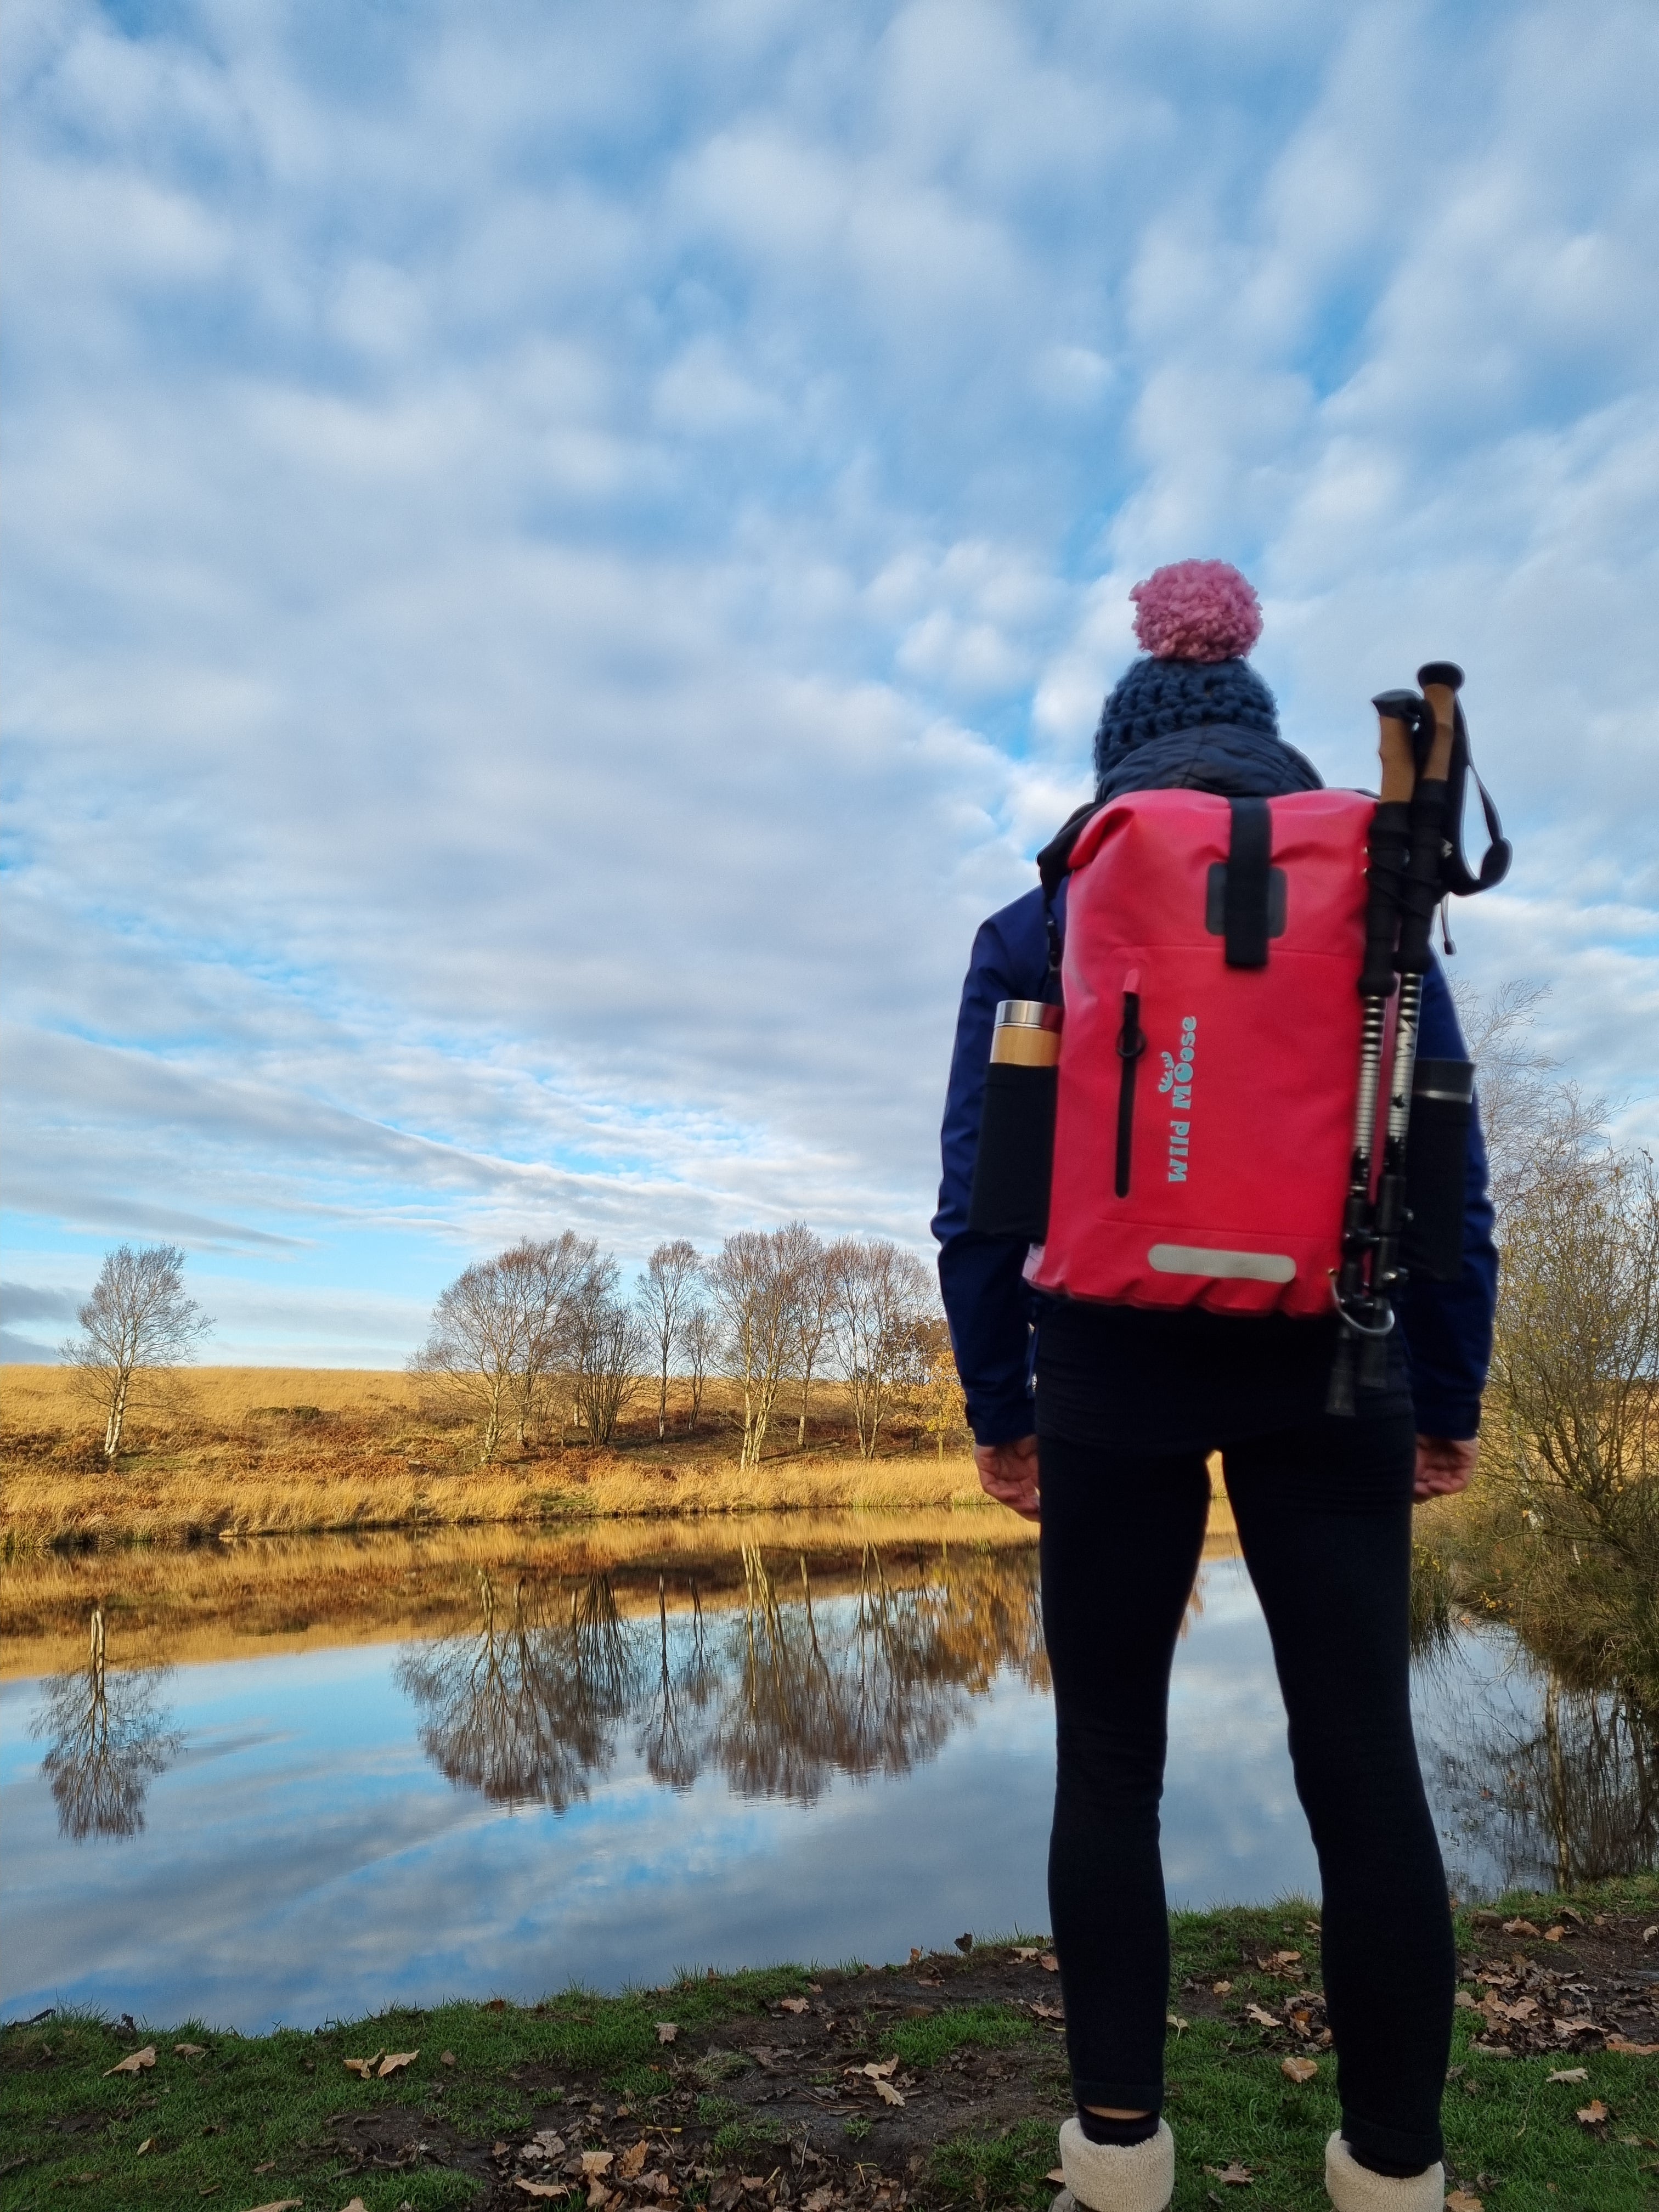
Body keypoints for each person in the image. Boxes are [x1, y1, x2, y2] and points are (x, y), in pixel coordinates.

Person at [932, 561, 1497, 2212]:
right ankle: (1392, 2172)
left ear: (1122, 765)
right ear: (1268, 746)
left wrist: (1001, 1404)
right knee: (1363, 1760)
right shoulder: (1375, 895)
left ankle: (1119, 2163)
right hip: (1342, 1356)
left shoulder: (1045, 916)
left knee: (1111, 1755)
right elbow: (1446, 1164)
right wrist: (1446, 1386)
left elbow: (982, 1197)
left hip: (1108, 1363)